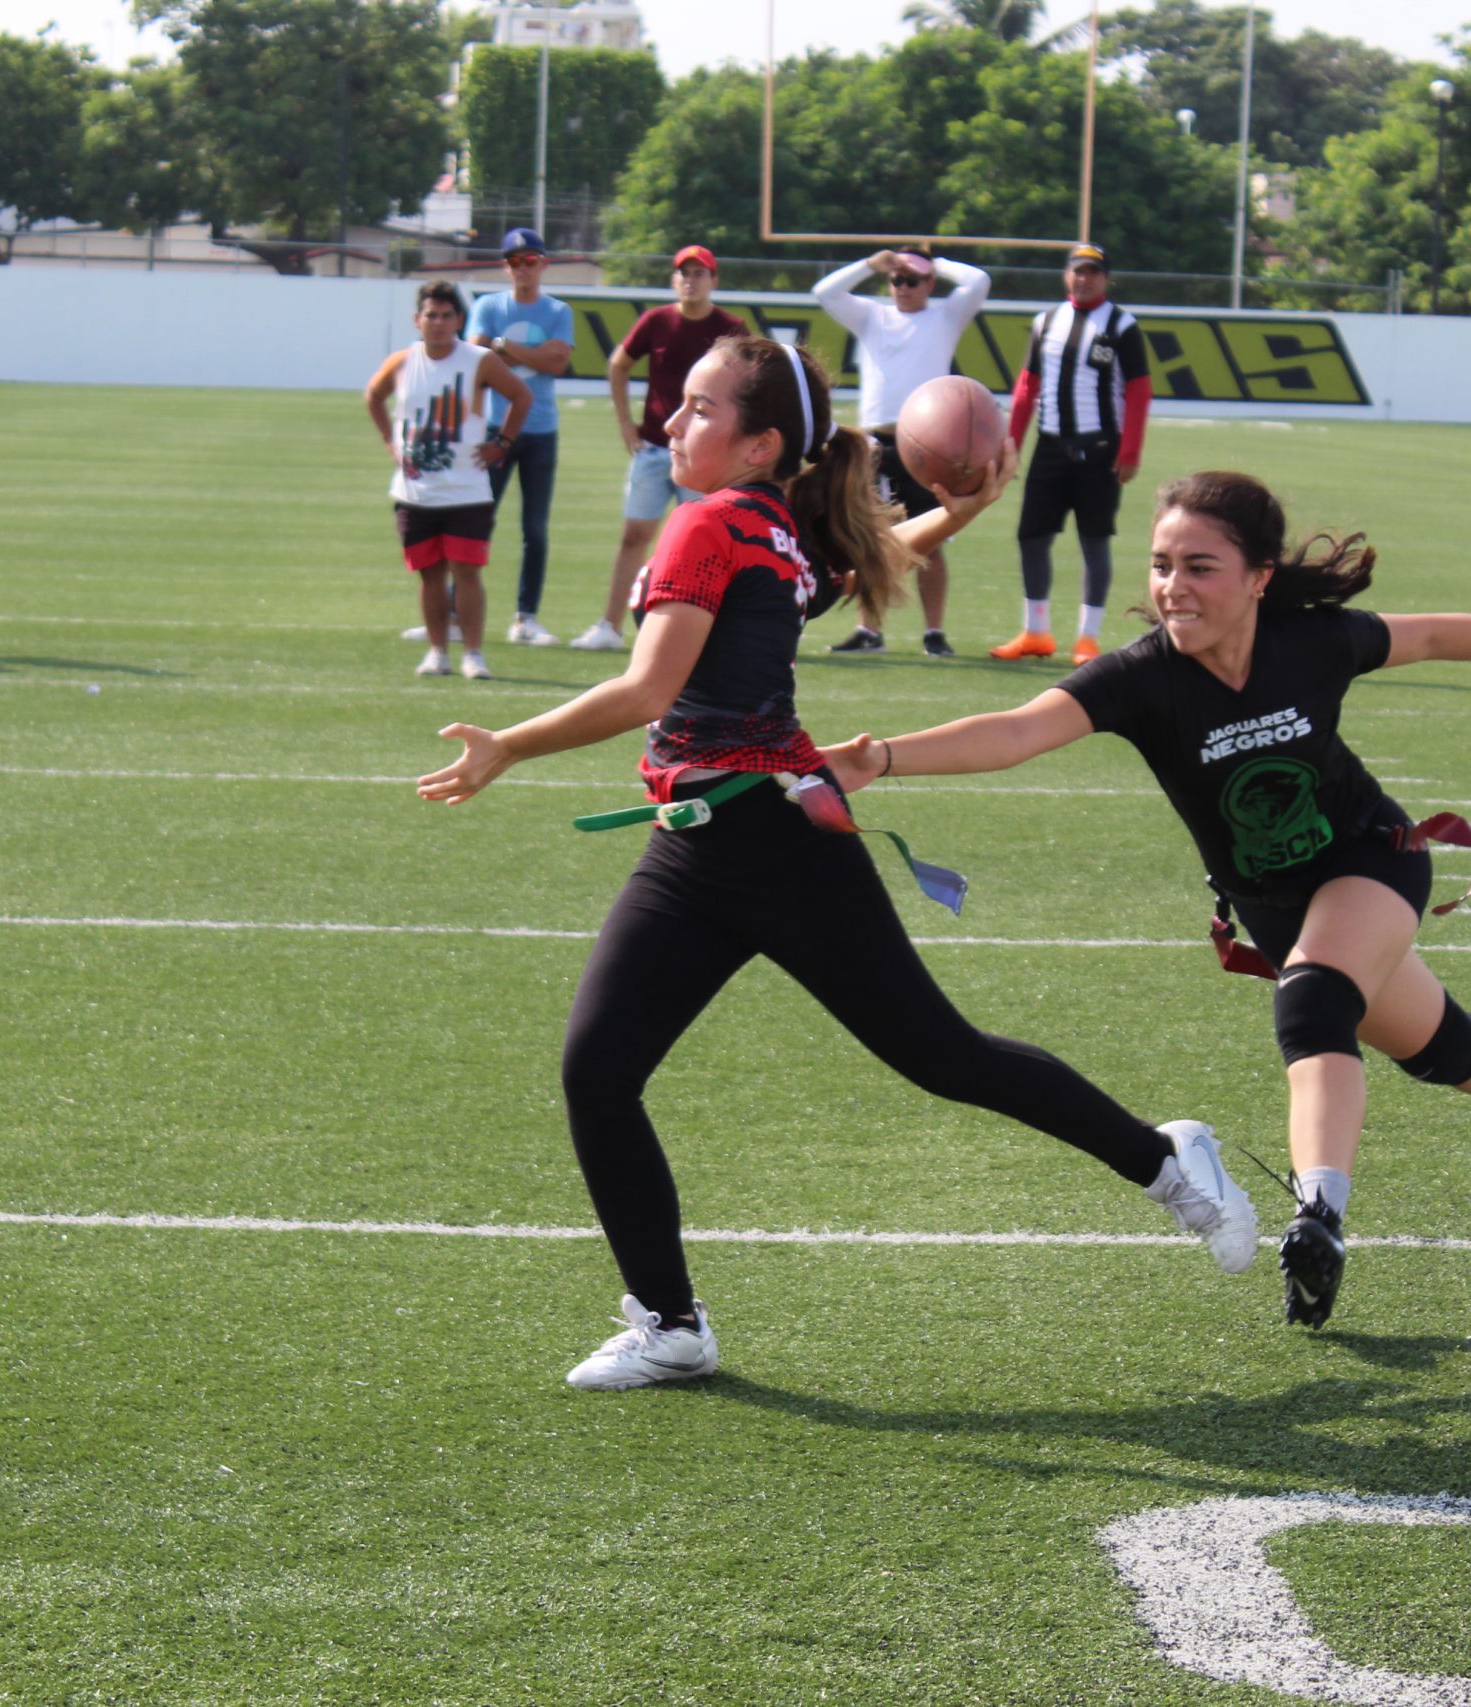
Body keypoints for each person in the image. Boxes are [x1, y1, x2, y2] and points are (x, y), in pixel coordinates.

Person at [416, 337, 1255, 1390]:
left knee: (944, 1057)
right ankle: (670, 1324)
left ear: (762, 442)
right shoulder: (763, 521)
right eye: (676, 407)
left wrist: (506, 747)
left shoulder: (718, 521)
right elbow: (872, 561)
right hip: (699, 850)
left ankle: (1166, 1161)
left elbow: (643, 689)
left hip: (772, 844)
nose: (672, 423)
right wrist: (963, 513)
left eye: (698, 409)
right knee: (599, 1070)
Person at [826, 470, 1471, 1330]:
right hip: (1274, 904)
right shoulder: (1140, 679)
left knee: (1314, 1004)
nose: (1173, 586)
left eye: (1201, 566)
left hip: (1375, 857)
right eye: (1161, 565)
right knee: (1442, 1048)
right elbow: (1017, 730)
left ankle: (1319, 1218)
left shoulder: (1313, 641)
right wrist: (877, 756)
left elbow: (1437, 632)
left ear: (1259, 575)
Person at [811, 246, 992, 657]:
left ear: (929, 283)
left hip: (928, 446)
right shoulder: (873, 316)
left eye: (913, 279)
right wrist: (872, 264)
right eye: (897, 279)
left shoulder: (944, 316)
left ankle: (934, 632)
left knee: (933, 538)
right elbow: (825, 292)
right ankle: (869, 630)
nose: (903, 287)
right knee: (872, 538)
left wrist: (935, 263)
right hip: (875, 441)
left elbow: (979, 281)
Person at [571, 244, 743, 652]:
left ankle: (714, 632)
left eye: (700, 273)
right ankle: (609, 625)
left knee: (709, 543)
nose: (691, 280)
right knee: (635, 535)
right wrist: (625, 422)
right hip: (653, 447)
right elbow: (619, 364)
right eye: (684, 273)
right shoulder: (656, 320)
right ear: (674, 279)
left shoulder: (730, 328)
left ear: (713, 281)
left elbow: (750, 381)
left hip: (704, 453)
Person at [990, 243, 1149, 668]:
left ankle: (1088, 638)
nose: (1085, 279)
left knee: (1094, 540)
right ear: (1066, 276)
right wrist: (1010, 446)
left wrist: (1131, 450)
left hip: (1100, 448)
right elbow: (1027, 387)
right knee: (1032, 536)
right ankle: (1036, 631)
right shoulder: (1046, 321)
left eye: (1093, 272)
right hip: (1051, 445)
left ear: (1106, 278)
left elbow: (1139, 390)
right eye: (1078, 271)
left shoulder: (1122, 325)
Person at [365, 280, 532, 680]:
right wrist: (390, 440)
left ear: (459, 319)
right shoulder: (403, 362)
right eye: (430, 315)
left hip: (466, 489)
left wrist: (503, 442)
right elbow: (373, 395)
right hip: (415, 491)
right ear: (417, 319)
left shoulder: (479, 360)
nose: (438, 323)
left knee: (467, 572)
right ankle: (437, 651)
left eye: (446, 315)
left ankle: (473, 652)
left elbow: (521, 395)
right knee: (430, 574)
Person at [472, 227, 573, 648]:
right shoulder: (487, 305)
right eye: (515, 261)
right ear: (506, 266)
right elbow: (477, 354)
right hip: (495, 428)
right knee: (476, 522)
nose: (523, 269)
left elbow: (558, 362)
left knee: (535, 528)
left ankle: (526, 617)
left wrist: (505, 348)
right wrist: (525, 352)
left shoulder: (558, 310)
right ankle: (457, 612)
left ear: (543, 264)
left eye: (530, 260)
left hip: (541, 429)